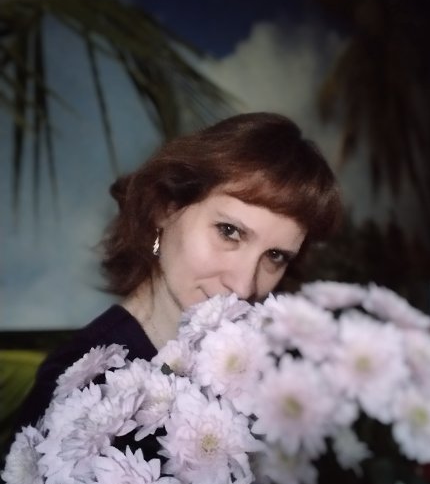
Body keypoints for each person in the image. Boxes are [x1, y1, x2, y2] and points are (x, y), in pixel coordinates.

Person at [15, 111, 342, 430]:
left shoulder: (258, 376)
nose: (244, 286)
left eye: (275, 256)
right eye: (229, 231)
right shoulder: (78, 390)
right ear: (165, 209)